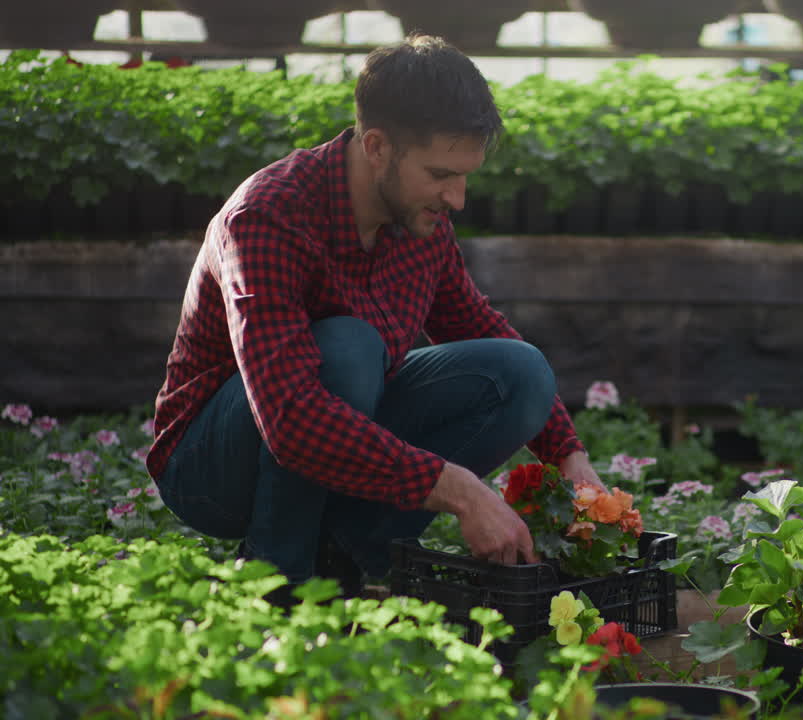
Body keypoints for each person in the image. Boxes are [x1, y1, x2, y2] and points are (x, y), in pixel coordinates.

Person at [145, 34, 604, 606]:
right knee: (348, 348)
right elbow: (290, 419)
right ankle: (276, 588)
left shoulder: (420, 220)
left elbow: (476, 324)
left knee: (522, 373)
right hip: (213, 468)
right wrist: (458, 490)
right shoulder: (267, 216)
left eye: (465, 176)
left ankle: (340, 554)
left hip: (327, 442)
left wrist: (569, 456)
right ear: (378, 147)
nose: (457, 198)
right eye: (441, 174)